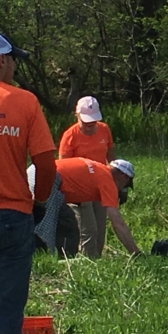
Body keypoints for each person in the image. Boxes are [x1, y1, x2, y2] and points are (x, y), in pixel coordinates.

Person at [0, 30, 56, 334]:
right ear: (1, 60)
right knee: (7, 307)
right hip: (12, 216)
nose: (14, 67)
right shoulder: (23, 100)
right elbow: (45, 163)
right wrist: (38, 200)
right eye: (13, 60)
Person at [58, 96, 116, 258]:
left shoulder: (104, 129)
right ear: (77, 116)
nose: (90, 126)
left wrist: (116, 182)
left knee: (100, 226)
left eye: (93, 122)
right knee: (88, 228)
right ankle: (87, 262)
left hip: (101, 184)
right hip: (80, 188)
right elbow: (63, 168)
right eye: (86, 123)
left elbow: (111, 157)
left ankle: (98, 261)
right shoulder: (70, 136)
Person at [55, 157, 140, 257]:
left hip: (42, 172)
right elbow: (118, 223)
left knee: (65, 225)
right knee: (69, 230)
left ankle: (52, 258)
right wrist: (135, 252)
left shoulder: (100, 169)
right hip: (49, 181)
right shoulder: (108, 182)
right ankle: (65, 261)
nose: (123, 188)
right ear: (123, 176)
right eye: (126, 185)